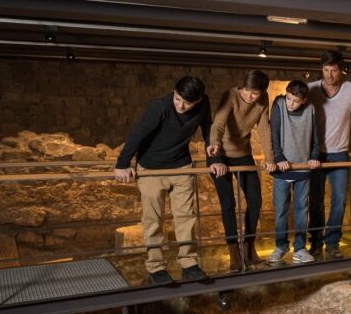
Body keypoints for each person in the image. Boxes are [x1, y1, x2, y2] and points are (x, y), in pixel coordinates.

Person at [114, 76, 214, 284]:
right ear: (174, 93)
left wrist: (214, 158)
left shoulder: (204, 105)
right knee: (153, 220)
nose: (180, 105)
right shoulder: (160, 107)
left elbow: (208, 130)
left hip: (182, 166)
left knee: (186, 217)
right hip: (151, 169)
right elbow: (137, 134)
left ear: (198, 100)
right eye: (177, 98)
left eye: (187, 103)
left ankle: (188, 263)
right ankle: (156, 266)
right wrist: (122, 164)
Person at [207, 70, 276, 270]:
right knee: (228, 204)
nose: (249, 96)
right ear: (242, 86)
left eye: (254, 93)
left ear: (261, 92)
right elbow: (218, 124)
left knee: (255, 200)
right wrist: (214, 146)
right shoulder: (231, 95)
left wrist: (270, 159)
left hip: (243, 155)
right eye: (246, 91)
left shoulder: (263, 100)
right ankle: (234, 253)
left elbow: (264, 130)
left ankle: (248, 247)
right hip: (220, 154)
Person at [307, 50, 351, 259]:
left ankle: (332, 243)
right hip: (315, 155)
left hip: (340, 154)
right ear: (321, 69)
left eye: (333, 71)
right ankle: (315, 243)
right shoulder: (311, 90)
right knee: (314, 200)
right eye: (325, 70)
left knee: (340, 199)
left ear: (341, 70)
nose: (329, 75)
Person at [269, 80, 321, 264]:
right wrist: (279, 158)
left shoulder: (310, 109)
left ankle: (300, 248)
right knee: (281, 210)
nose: (290, 103)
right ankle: (280, 246)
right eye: (289, 98)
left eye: (295, 101)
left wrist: (314, 155)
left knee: (301, 210)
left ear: (304, 101)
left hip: (303, 166)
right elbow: (273, 133)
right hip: (283, 167)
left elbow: (315, 134)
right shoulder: (279, 104)